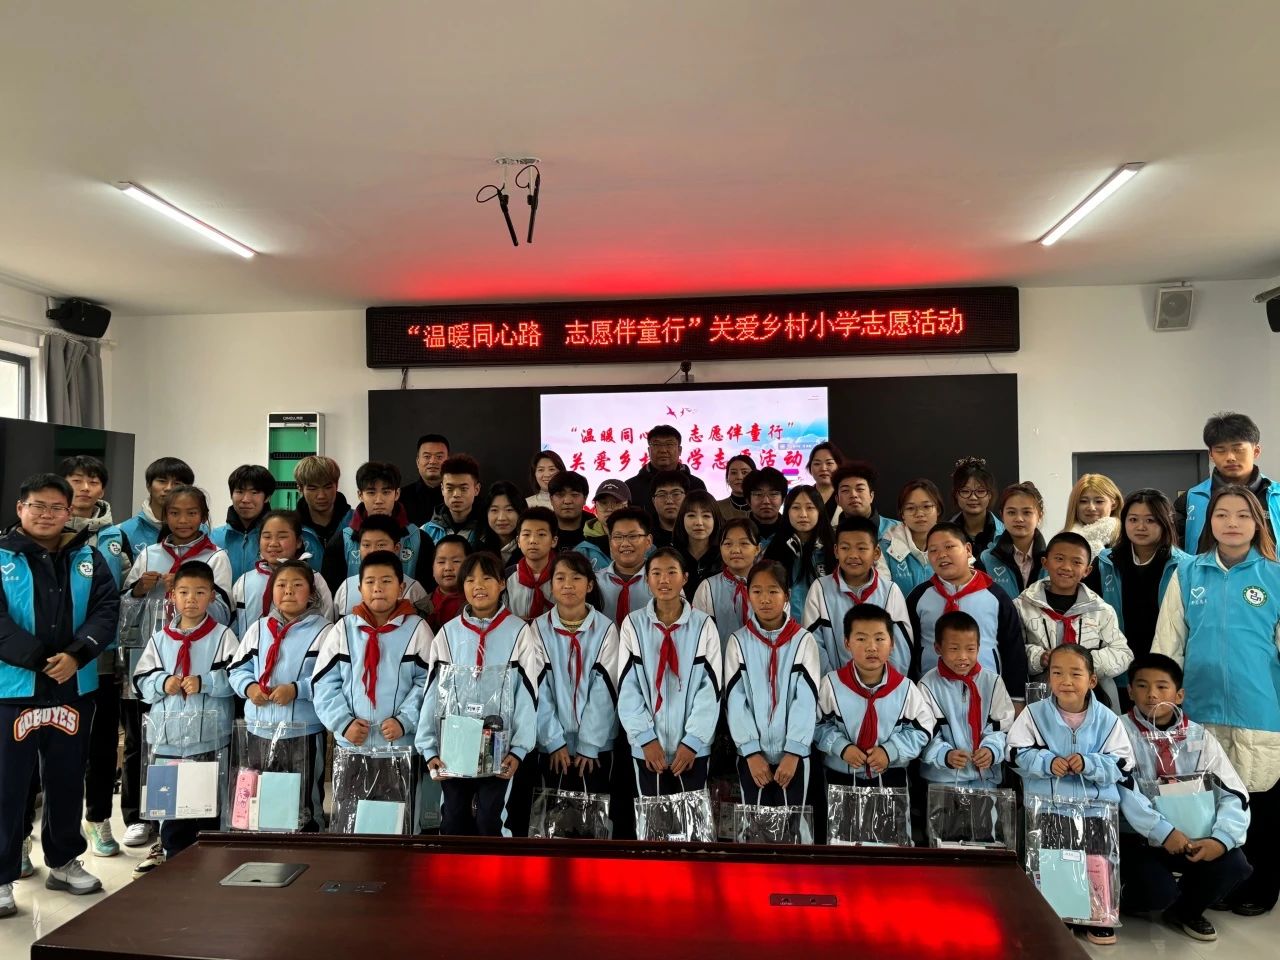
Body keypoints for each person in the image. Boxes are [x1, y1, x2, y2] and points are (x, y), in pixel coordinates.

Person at [1153, 484, 1280, 916]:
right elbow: (1168, 643)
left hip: (1260, 711)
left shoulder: (1275, 576)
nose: (1232, 523)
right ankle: (1214, 885)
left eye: (1243, 515)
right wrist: (1163, 704)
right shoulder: (1188, 573)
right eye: (1222, 514)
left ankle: (1260, 887)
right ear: (1210, 522)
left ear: (1257, 523)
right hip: (1198, 710)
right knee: (1207, 801)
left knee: (1259, 800)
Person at [0, 474, 119, 915]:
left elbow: (107, 610)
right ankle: (2, 875)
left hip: (75, 687)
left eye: (56, 508)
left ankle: (64, 861)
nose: (46, 515)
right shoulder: (2, 556)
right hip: (11, 690)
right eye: (38, 506)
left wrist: (77, 655)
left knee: (68, 778)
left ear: (69, 512)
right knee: (7, 785)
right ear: (20, 508)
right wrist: (39, 659)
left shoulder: (88, 556)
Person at [1116, 653, 1253, 942]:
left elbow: (1233, 793)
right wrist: (1163, 832)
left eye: (1162, 686)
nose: (1152, 694)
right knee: (1156, 893)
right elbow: (1123, 792)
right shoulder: (1118, 732)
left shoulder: (1199, 737)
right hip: (1139, 839)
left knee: (1235, 864)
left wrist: (1220, 839)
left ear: (1179, 695)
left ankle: (1185, 911)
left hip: (1193, 835)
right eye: (1142, 685)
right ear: (1129, 691)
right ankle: (1129, 898)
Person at [1007, 644, 1138, 946]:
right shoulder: (1034, 714)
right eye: (1057, 673)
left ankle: (1099, 916)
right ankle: (1060, 913)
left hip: (1095, 808)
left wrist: (1090, 763)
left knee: (1096, 863)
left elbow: (1124, 763)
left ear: (1092, 680)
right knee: (1054, 862)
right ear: (1048, 678)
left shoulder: (1108, 720)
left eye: (1075, 674)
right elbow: (1014, 753)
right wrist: (1046, 762)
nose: (1066, 681)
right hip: (1048, 807)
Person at [97, 455, 194, 853]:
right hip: (145, 658)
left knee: (184, 738)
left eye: (177, 484)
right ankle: (138, 817)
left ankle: (183, 814)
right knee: (140, 738)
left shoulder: (210, 546)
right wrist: (139, 589)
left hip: (192, 660)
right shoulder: (129, 537)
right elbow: (121, 603)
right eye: (161, 482)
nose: (169, 490)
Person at [419, 551, 542, 837]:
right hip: (455, 747)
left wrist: (519, 749)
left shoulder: (519, 632)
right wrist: (428, 748)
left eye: (487, 578)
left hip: (499, 748)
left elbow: (528, 694)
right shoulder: (448, 634)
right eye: (470, 579)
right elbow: (432, 692)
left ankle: (493, 867)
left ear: (502, 583)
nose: (478, 585)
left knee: (491, 821)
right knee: (453, 821)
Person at [131, 560, 236, 874]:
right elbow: (140, 681)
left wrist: (207, 682)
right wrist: (162, 682)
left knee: (208, 808)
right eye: (184, 592)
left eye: (200, 592)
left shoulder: (223, 637)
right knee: (172, 812)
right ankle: (174, 863)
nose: (191, 599)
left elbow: (237, 678)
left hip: (210, 741)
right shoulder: (160, 640)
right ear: (172, 595)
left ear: (212, 597)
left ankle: (211, 868)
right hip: (167, 742)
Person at [227, 560, 331, 832]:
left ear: (311, 593)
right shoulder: (259, 628)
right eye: (281, 585)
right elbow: (237, 669)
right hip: (259, 730)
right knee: (261, 798)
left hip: (303, 732)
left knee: (302, 801)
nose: (288, 591)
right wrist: (250, 688)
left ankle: (307, 841)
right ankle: (265, 845)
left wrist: (297, 690)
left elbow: (331, 680)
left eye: (297, 585)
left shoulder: (325, 631)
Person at [57, 456, 124, 859]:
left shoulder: (118, 535)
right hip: (53, 660)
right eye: (76, 480)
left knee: (101, 743)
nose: (85, 488)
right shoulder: (45, 532)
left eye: (93, 481)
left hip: (103, 656)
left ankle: (97, 817)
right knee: (49, 745)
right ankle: (29, 833)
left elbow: (123, 592)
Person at [618, 548, 722, 798]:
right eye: (656, 573)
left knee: (691, 819)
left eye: (671, 572)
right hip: (647, 748)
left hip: (693, 750)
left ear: (685, 577)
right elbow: (627, 687)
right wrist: (645, 738)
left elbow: (711, 689)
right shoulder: (633, 624)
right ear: (647, 579)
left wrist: (693, 741)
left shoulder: (703, 625)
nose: (664, 580)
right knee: (653, 819)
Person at [526, 553, 622, 824]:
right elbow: (537, 688)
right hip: (550, 747)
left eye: (576, 578)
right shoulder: (537, 629)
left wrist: (589, 744)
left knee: (593, 823)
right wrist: (553, 740)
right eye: (560, 578)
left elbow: (605, 691)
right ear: (551, 586)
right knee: (550, 823)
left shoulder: (606, 629)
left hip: (597, 749)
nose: (568, 584)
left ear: (589, 585)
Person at [312, 551, 432, 754]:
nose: (377, 588)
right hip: (351, 746)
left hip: (400, 746)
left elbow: (428, 684)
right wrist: (343, 723)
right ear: (360, 589)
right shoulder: (344, 629)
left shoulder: (417, 629)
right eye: (370, 582)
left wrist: (405, 720)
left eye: (386, 581)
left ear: (401, 587)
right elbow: (323, 682)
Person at [724, 560, 820, 810]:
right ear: (748, 595)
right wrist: (751, 752)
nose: (765, 599)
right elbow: (735, 700)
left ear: (787, 595)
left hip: (794, 757)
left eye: (773, 591)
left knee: (794, 823)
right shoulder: (738, 642)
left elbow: (806, 700)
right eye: (757, 591)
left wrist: (794, 751)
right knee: (756, 824)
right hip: (752, 758)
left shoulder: (803, 641)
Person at [815, 603, 934, 791]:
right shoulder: (830, 685)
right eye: (861, 639)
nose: (871, 647)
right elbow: (816, 724)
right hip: (841, 776)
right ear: (847, 643)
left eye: (879, 639)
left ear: (892, 643)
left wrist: (890, 751)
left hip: (891, 777)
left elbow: (922, 730)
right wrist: (841, 747)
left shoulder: (905, 689)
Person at [906, 522, 1025, 697]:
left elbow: (1013, 649)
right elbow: (908, 649)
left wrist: (1017, 697)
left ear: (968, 549)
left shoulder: (995, 595)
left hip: (987, 692)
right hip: (932, 694)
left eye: (949, 547)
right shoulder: (918, 597)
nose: (941, 555)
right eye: (933, 550)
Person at [1017, 531, 1133, 709]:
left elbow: (1123, 654)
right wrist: (1040, 657)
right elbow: (1012, 652)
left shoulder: (1101, 610)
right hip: (1042, 696)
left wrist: (1083, 661)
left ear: (1087, 570)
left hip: (1094, 697)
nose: (1066, 567)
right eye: (1059, 559)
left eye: (1076, 562)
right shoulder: (1022, 606)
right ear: (1045, 563)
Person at [918, 611, 1016, 792]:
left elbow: (1004, 727)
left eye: (970, 649)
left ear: (978, 648)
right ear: (938, 648)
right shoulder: (927, 686)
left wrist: (992, 750)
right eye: (954, 649)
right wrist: (944, 754)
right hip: (942, 782)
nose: (963, 656)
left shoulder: (992, 682)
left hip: (986, 781)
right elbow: (922, 734)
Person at [804, 516, 912, 677]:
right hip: (834, 686)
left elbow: (901, 647)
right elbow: (813, 644)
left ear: (876, 552)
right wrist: (833, 683)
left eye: (861, 548)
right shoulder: (820, 589)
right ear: (836, 551)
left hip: (883, 687)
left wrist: (884, 683)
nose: (853, 555)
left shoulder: (890, 591)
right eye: (845, 548)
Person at [1095, 490, 1189, 662]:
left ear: (1165, 522)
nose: (1140, 527)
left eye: (1150, 520)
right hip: (1116, 664)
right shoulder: (1105, 563)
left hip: (1166, 664)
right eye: (1133, 519)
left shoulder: (1186, 566)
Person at [122, 485, 233, 627]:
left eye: (191, 513)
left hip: (199, 639)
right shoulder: (148, 555)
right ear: (165, 516)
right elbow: (124, 616)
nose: (183, 520)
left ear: (204, 517)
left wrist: (188, 588)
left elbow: (223, 616)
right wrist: (137, 591)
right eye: (174, 513)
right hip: (150, 639)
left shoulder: (216, 558)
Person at [321, 461, 428, 593]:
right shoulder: (341, 541)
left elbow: (427, 593)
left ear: (397, 494)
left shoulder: (419, 538)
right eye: (371, 492)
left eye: (386, 492)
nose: (379, 500)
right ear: (360, 495)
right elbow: (332, 595)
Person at [1177, 412, 1280, 549]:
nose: (1230, 457)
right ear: (1211, 455)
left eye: (1238, 449)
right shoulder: (1191, 498)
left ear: (1256, 451)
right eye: (1221, 450)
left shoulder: (1276, 496)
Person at [230, 510, 334, 637]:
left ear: (298, 542)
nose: (273, 543)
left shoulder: (314, 579)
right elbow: (233, 626)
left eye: (282, 537)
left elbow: (327, 623)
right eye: (267, 537)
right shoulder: (245, 581)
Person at [332, 514, 429, 618]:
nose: (373, 551)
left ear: (396, 548)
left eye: (381, 545)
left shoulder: (413, 589)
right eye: (366, 545)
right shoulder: (347, 586)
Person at [765, 485, 833, 621]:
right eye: (796, 508)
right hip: (785, 627)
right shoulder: (773, 548)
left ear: (819, 511)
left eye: (810, 507)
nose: (803, 514)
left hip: (826, 626)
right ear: (787, 512)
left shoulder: (834, 548)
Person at [693, 517, 760, 651]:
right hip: (719, 662)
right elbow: (697, 634)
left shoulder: (770, 586)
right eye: (728, 544)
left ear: (757, 549)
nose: (735, 550)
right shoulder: (707, 587)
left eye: (744, 543)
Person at [979, 481, 1048, 597]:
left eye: (1027, 512)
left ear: (1040, 515)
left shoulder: (1052, 560)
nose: (1019, 519)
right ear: (1002, 515)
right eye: (1011, 512)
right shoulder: (986, 559)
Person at [211, 464, 277, 583]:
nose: (246, 499)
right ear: (231, 494)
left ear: (267, 497)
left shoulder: (277, 540)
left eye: (254, 492)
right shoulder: (214, 537)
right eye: (239, 491)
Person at [882, 479, 943, 596]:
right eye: (910, 508)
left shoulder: (953, 543)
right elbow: (882, 593)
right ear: (902, 514)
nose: (919, 514)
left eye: (926, 506)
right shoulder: (885, 548)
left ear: (938, 510)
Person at [625, 425, 708, 509]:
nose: (663, 450)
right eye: (657, 444)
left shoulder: (696, 485)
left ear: (679, 450)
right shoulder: (631, 487)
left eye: (669, 444)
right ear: (649, 451)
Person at [294, 456, 353, 573]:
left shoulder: (357, 522)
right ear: (300, 488)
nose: (321, 495)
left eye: (327, 487)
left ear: (337, 485)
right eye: (312, 489)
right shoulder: (291, 526)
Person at [596, 508, 654, 625]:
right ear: (610, 542)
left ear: (648, 541)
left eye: (633, 536)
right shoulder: (595, 581)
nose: (625, 544)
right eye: (618, 537)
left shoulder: (662, 581)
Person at [507, 507, 557, 620]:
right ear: (518, 541)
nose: (533, 540)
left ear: (554, 541)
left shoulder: (564, 576)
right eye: (526, 534)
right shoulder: (506, 577)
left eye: (541, 534)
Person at [424, 455, 485, 546]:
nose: (456, 494)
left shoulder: (487, 531)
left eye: (464, 488)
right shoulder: (425, 532)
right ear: (442, 489)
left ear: (476, 489)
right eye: (450, 488)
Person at [949, 457, 1004, 558]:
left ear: (990, 494)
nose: (973, 497)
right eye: (965, 491)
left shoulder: (1004, 534)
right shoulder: (946, 532)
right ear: (956, 495)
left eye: (980, 491)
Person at [831, 461, 900, 541]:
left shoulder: (898, 530)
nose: (853, 495)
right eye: (845, 490)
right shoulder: (829, 536)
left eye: (860, 489)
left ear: (871, 496)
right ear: (837, 500)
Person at [674, 490, 721, 598]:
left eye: (706, 516)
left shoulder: (723, 557)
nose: (699, 522)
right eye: (691, 515)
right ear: (682, 519)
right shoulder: (673, 556)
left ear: (716, 520)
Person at [1065, 474, 1124, 560]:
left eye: (1099, 501)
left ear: (1114, 504)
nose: (1091, 508)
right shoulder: (1061, 540)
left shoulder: (1126, 540)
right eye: (1083, 501)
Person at [576, 479, 629, 572]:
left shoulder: (645, 544)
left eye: (616, 502)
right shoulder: (583, 550)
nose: (609, 509)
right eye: (604, 503)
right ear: (595, 507)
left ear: (627, 506)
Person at [400, 433, 449, 528]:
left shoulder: (458, 497)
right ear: (418, 462)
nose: (433, 461)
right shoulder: (401, 498)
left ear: (448, 461)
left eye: (439, 457)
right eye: (427, 456)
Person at [426, 535, 471, 632]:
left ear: (470, 566)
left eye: (456, 561)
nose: (448, 568)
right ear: (433, 568)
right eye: (441, 562)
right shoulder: (419, 608)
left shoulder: (478, 607)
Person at [742, 467, 787, 548]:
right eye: (758, 494)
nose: (766, 501)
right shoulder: (737, 531)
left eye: (773, 494)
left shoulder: (792, 531)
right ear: (748, 500)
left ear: (783, 500)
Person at [481, 480, 524, 566]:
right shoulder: (479, 547)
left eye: (509, 510)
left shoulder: (529, 547)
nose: (501, 518)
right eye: (494, 510)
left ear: (520, 512)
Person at [547, 471, 591, 549]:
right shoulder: (542, 526)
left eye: (574, 494)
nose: (567, 501)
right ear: (551, 500)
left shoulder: (597, 528)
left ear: (585, 499)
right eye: (560, 495)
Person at [649, 470, 690, 549]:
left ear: (687, 498)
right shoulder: (644, 534)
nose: (669, 501)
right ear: (653, 501)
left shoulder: (698, 532)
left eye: (676, 494)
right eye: (662, 495)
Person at [807, 442, 845, 519]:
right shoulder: (803, 496)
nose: (823, 468)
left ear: (838, 466)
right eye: (817, 464)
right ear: (810, 467)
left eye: (829, 463)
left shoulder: (846, 496)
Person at [715, 454, 756, 524]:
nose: (739, 477)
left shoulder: (763, 506)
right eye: (733, 473)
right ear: (727, 479)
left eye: (744, 472)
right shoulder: (716, 508)